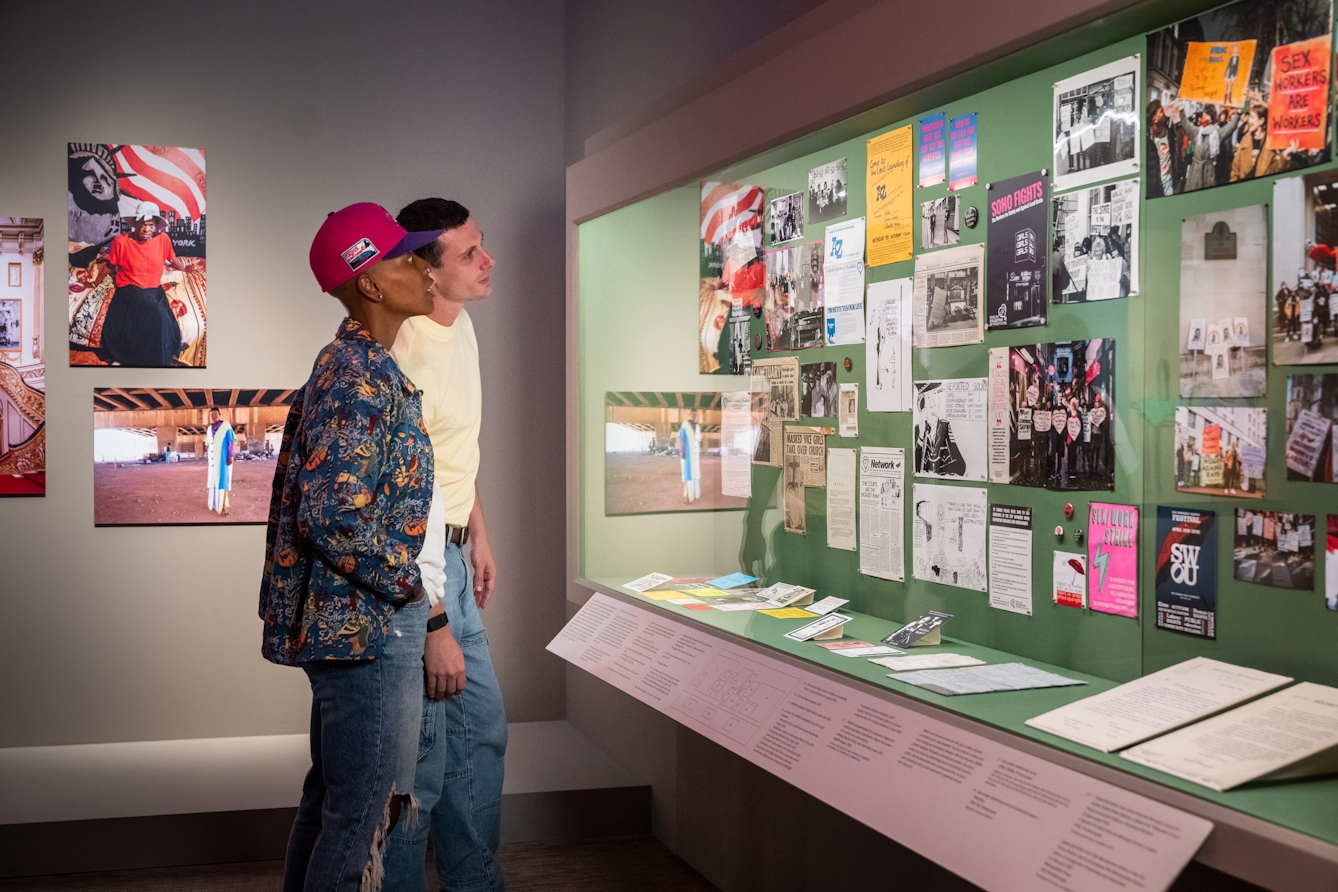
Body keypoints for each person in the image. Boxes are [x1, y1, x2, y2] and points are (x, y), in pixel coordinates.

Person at [259, 202, 440, 892]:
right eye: (404, 257)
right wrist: (410, 585)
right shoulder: (358, 374)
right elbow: (331, 515)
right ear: (368, 282)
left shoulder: (359, 365)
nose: (422, 268)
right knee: (360, 813)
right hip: (364, 628)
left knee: (334, 801)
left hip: (354, 626)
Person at [382, 199, 509, 892]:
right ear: (426, 272)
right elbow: (404, 502)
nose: (488, 261)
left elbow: (456, 459)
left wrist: (479, 536)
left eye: (481, 246)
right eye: (469, 254)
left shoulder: (461, 331)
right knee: (419, 768)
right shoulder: (401, 352)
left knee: (480, 738)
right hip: (417, 583)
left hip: (453, 562)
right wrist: (432, 620)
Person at [100, 201, 188, 367]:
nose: (147, 229)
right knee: (155, 314)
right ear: (135, 224)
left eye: (152, 225)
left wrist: (184, 269)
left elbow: (171, 257)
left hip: (154, 289)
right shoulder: (121, 241)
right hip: (129, 287)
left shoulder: (163, 239)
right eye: (143, 224)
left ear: (156, 226)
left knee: (162, 315)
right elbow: (110, 265)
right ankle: (146, 361)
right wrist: (95, 282)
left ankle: (159, 358)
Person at [204, 407, 236, 514]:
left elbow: (230, 442)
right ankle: (213, 504)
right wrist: (209, 453)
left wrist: (230, 455)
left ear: (220, 414)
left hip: (223, 458)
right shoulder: (209, 429)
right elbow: (207, 444)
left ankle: (223, 507)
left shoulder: (226, 425)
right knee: (213, 480)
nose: (214, 416)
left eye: (215, 414)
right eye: (212, 415)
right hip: (212, 461)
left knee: (223, 480)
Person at [679, 410, 703, 503]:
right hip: (687, 454)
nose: (694, 416)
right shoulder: (684, 425)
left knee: (695, 474)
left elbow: (699, 439)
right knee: (687, 474)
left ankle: (696, 494)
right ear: (689, 415)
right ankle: (688, 497)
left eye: (695, 414)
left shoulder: (697, 426)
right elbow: (681, 438)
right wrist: (682, 451)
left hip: (695, 455)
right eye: (692, 414)